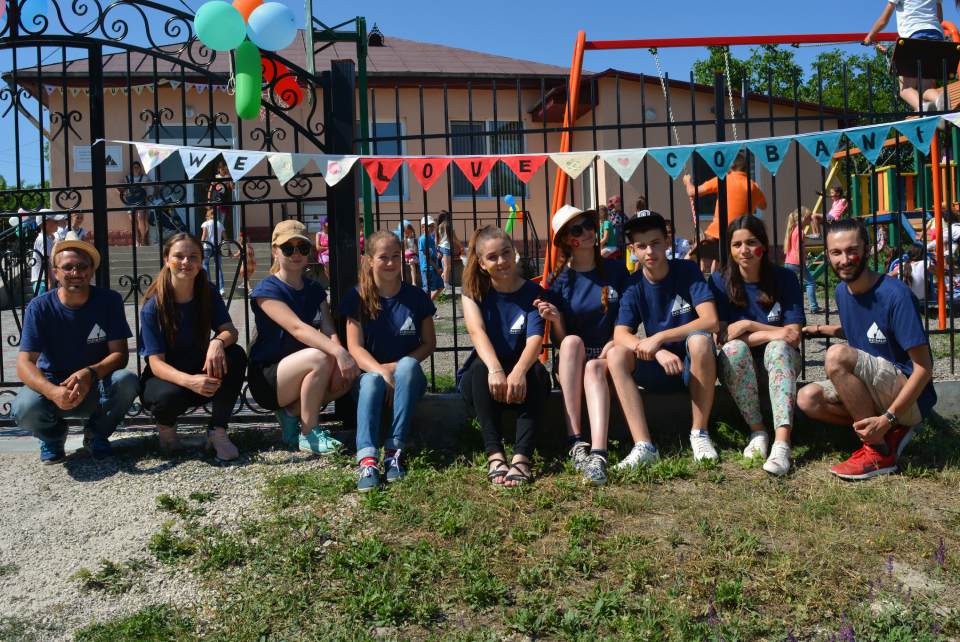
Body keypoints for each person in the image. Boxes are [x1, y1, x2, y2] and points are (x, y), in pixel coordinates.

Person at [798, 218, 936, 480]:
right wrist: (819, 329)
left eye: (852, 250)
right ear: (827, 254)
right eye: (836, 252)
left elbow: (924, 368)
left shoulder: (895, 294)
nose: (845, 259)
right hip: (876, 387)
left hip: (910, 397)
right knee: (807, 399)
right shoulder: (842, 291)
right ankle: (880, 432)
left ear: (868, 250)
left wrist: (888, 418)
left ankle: (878, 449)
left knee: (836, 355)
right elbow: (863, 329)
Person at [606, 212, 720, 467]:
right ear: (633, 250)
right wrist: (656, 350)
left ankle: (699, 433)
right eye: (642, 245)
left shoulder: (687, 270)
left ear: (667, 242)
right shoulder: (633, 285)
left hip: (694, 369)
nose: (649, 251)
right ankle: (644, 445)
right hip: (659, 368)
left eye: (655, 242)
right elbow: (619, 333)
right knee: (616, 354)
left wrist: (658, 338)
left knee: (700, 341)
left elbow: (710, 320)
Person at [13, 233, 139, 463]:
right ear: (55, 272)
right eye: (68, 267)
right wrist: (52, 391)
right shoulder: (39, 307)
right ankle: (52, 437)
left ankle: (96, 435)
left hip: (95, 384)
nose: (75, 273)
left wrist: (89, 373)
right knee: (24, 406)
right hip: (53, 384)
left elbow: (120, 355)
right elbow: (24, 362)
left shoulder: (109, 301)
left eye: (82, 266)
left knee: (127, 381)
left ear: (91, 270)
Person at [248, 219, 359, 454]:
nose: (296, 253)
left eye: (303, 248)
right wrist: (338, 352)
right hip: (269, 376)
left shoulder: (315, 289)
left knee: (346, 376)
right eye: (288, 248)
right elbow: (297, 328)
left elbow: (328, 329)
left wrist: (340, 359)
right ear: (274, 252)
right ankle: (310, 433)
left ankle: (290, 415)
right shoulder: (266, 289)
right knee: (321, 357)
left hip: (303, 366)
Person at [537, 205, 629, 486]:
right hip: (575, 359)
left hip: (609, 355)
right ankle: (576, 442)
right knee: (573, 342)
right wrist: (556, 320)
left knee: (596, 364)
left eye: (589, 224)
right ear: (567, 239)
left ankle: (598, 454)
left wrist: (614, 342)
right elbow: (561, 342)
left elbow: (627, 320)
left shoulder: (616, 270)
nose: (588, 232)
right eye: (577, 230)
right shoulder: (559, 280)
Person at [340, 231, 436, 491]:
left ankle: (395, 452)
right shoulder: (357, 297)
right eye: (384, 257)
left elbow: (429, 343)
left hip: (407, 379)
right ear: (369, 260)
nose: (392, 263)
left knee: (406, 366)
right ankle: (367, 459)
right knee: (370, 381)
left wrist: (395, 369)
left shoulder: (416, 297)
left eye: (396, 256)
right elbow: (354, 348)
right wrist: (383, 373)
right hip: (371, 379)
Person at [138, 234, 247, 461]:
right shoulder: (153, 306)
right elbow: (156, 363)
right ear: (167, 259)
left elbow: (231, 331)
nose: (186, 262)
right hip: (168, 381)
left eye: (193, 257)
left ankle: (217, 431)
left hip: (201, 373)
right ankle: (167, 432)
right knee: (168, 396)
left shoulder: (206, 292)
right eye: (179, 256)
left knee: (234, 354)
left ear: (200, 263)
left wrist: (217, 342)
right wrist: (189, 381)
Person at [710, 216, 805, 476]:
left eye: (751, 242)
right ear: (729, 249)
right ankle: (758, 431)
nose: (744, 250)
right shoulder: (720, 282)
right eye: (737, 244)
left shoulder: (784, 278)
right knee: (734, 350)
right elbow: (724, 338)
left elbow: (793, 336)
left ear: (763, 245)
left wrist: (750, 326)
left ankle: (782, 443)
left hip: (782, 363)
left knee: (778, 349)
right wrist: (774, 332)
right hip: (741, 368)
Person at [460, 225, 551, 487]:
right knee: (478, 369)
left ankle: (522, 457)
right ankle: (495, 455)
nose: (501, 261)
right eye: (492, 257)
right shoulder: (473, 292)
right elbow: (476, 332)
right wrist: (496, 370)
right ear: (481, 263)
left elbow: (536, 339)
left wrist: (520, 371)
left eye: (506, 253)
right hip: (486, 382)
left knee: (536, 373)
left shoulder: (534, 293)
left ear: (515, 253)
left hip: (521, 383)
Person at [683, 152, 767, 272]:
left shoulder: (723, 180)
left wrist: (687, 181)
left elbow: (692, 192)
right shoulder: (753, 186)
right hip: (738, 234)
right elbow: (764, 206)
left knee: (695, 254)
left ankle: (680, 273)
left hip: (717, 232)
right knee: (723, 262)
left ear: (729, 168)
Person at [864, 0, 946, 113]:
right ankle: (938, 99)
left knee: (905, 89)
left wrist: (870, 36)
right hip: (936, 38)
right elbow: (939, 18)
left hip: (913, 37)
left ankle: (922, 107)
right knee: (926, 88)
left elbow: (883, 20)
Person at [783, 207, 823, 314]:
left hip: (788, 262)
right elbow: (799, 247)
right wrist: (804, 258)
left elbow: (802, 239)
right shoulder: (799, 231)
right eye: (809, 218)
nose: (810, 220)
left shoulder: (792, 230)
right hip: (797, 262)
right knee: (810, 283)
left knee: (788, 284)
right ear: (804, 218)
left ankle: (785, 305)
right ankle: (814, 307)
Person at [31, 211, 66, 294]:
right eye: (55, 221)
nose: (57, 223)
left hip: (45, 279)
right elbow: (46, 261)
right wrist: (49, 280)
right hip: (43, 281)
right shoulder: (43, 239)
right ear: (45, 223)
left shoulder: (47, 238)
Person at [120, 161, 151, 246]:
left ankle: (144, 239)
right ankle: (137, 240)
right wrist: (123, 193)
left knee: (141, 219)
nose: (136, 169)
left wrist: (152, 195)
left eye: (137, 167)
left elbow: (153, 186)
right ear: (131, 169)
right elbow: (118, 187)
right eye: (134, 167)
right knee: (133, 221)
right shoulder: (127, 178)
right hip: (130, 202)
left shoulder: (144, 178)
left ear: (140, 168)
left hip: (141, 201)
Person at [200, 208, 228, 295]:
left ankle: (208, 287)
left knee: (205, 265)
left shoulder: (206, 223)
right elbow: (225, 237)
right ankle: (221, 288)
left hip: (207, 247)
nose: (205, 218)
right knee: (218, 268)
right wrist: (229, 248)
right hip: (217, 247)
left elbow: (204, 235)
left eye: (206, 216)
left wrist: (200, 245)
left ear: (209, 216)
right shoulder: (220, 224)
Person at [436, 210, 462, 294]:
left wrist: (437, 248)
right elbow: (454, 238)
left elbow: (437, 239)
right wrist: (460, 245)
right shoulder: (449, 226)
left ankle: (444, 277)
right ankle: (446, 284)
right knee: (447, 266)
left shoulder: (439, 226)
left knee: (445, 266)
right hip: (447, 248)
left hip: (440, 247)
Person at [207, 160, 234, 239]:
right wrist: (208, 200)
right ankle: (216, 238)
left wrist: (229, 177)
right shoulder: (216, 177)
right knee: (215, 220)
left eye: (224, 169)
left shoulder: (228, 177)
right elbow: (211, 189)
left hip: (224, 201)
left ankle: (220, 239)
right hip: (216, 200)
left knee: (221, 222)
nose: (223, 170)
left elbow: (232, 188)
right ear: (219, 169)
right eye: (221, 169)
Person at [418, 215, 444, 301]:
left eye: (433, 225)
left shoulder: (430, 237)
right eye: (429, 226)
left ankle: (428, 307)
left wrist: (438, 254)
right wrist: (437, 268)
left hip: (433, 267)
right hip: (427, 268)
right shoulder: (423, 239)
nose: (432, 227)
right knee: (427, 290)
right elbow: (426, 256)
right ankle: (423, 309)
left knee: (440, 286)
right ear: (423, 227)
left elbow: (432, 251)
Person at [402, 221, 420, 287]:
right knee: (402, 262)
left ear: (412, 231)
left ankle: (413, 282)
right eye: (406, 233)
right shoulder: (404, 241)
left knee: (411, 262)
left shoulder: (415, 240)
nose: (408, 234)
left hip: (413, 256)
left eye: (409, 232)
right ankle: (402, 279)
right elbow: (403, 250)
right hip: (406, 256)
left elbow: (417, 251)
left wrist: (414, 251)